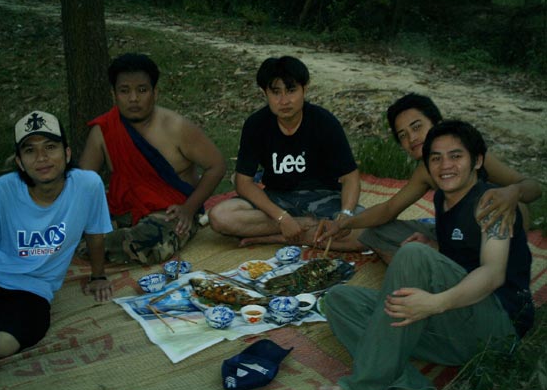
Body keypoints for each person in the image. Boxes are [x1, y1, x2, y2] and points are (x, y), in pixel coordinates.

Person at [319, 120, 534, 390]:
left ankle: (362, 386)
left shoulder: (490, 203)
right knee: (339, 300)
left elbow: (493, 273)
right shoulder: (443, 198)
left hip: (496, 330)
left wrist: (434, 303)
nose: (445, 166)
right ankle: (412, 387)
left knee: (412, 255)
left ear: (477, 160)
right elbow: (464, 252)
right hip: (454, 327)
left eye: (456, 156)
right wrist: (436, 248)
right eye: (436, 158)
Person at [316, 93, 541, 262]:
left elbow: (533, 187)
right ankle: (417, 272)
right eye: (402, 135)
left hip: (493, 237)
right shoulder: (425, 170)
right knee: (375, 232)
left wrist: (513, 192)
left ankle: (434, 276)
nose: (412, 138)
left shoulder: (467, 154)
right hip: (450, 235)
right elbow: (389, 209)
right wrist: (345, 222)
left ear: (437, 123)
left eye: (417, 127)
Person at [79, 53, 226, 264]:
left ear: (155, 92)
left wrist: (189, 208)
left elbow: (217, 165)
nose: (133, 99)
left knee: (147, 244)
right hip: (124, 209)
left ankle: (97, 245)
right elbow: (83, 183)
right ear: (114, 95)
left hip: (170, 212)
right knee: (70, 230)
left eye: (142, 90)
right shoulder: (104, 131)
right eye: (124, 91)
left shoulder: (176, 127)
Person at [208, 56, 362, 245]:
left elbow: (350, 177)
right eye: (276, 92)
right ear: (265, 93)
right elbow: (244, 182)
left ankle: (277, 237)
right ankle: (298, 229)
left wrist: (344, 216)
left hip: (323, 197)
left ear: (304, 89)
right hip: (276, 199)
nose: (284, 101)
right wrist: (283, 218)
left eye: (291, 90)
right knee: (220, 216)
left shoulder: (324, 122)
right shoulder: (256, 124)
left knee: (365, 233)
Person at [0, 111, 113, 358]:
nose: (42, 158)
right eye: (30, 151)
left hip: (33, 291)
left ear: (67, 153)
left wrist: (98, 275)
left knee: (5, 343)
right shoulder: (2, 191)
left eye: (50, 147)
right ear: (19, 162)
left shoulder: (87, 186)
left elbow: (95, 234)